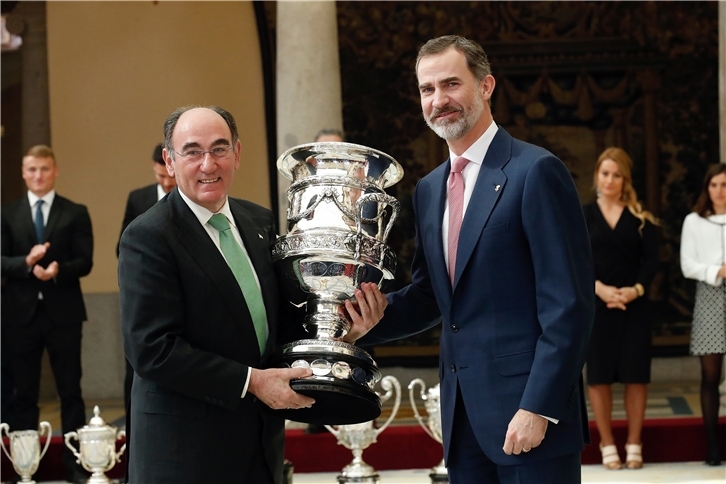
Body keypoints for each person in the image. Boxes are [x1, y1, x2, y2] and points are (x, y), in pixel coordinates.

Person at [353, 35, 594, 484]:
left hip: (530, 421)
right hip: (462, 422)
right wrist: (367, 321)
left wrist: (538, 407)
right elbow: (433, 296)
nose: (438, 100)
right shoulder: (428, 190)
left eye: (451, 84)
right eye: (427, 89)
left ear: (486, 86)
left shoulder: (535, 172)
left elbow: (569, 306)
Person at [118, 105, 386, 483]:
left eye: (220, 149)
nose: (208, 164)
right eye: (193, 151)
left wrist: (343, 331)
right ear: (170, 160)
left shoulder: (258, 222)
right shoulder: (148, 236)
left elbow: (272, 320)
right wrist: (254, 381)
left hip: (259, 448)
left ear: (238, 154)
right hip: (184, 454)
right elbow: (151, 349)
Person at [1, 145, 93, 484]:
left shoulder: (75, 212)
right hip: (19, 315)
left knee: (71, 391)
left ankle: (77, 466)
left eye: (44, 169)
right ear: (23, 173)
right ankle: (26, 467)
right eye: (32, 170)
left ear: (55, 171)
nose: (38, 175)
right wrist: (26, 263)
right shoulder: (8, 214)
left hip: (64, 314)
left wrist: (57, 269)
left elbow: (86, 261)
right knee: (23, 394)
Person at [583, 147, 660, 470]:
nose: (610, 180)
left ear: (625, 179)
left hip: (635, 306)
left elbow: (653, 260)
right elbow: (575, 259)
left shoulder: (642, 217)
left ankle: (634, 443)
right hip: (597, 306)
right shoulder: (583, 215)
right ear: (597, 176)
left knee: (635, 376)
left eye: (616, 175)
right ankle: (607, 443)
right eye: (605, 173)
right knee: (598, 377)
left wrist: (634, 291)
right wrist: (598, 289)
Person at [116, 143, 176, 415]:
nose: (166, 183)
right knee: (137, 365)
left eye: (169, 177)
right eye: (159, 176)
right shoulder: (138, 199)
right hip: (146, 293)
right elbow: (122, 246)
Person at [680, 163, 726, 466]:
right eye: (714, 185)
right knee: (710, 376)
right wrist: (716, 271)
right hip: (711, 297)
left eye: (724, 185)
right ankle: (713, 447)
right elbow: (688, 265)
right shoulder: (694, 221)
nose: (719, 191)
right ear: (706, 188)